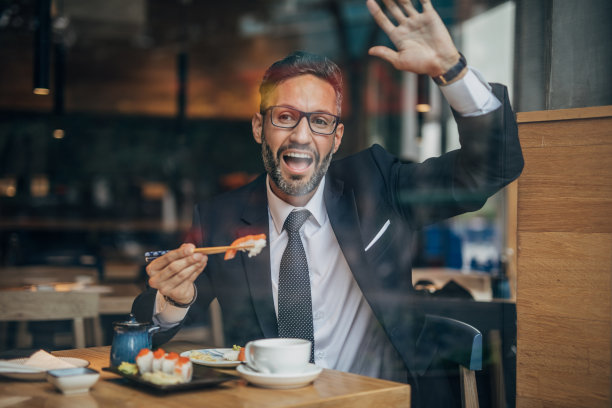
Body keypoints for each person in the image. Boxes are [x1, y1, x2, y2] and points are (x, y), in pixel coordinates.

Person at [132, 0, 523, 406]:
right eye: (285, 116)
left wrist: (451, 69)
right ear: (259, 127)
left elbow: (492, 169)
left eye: (319, 121)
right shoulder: (220, 218)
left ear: (335, 139)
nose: (301, 135)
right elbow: (146, 329)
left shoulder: (377, 185)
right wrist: (173, 301)